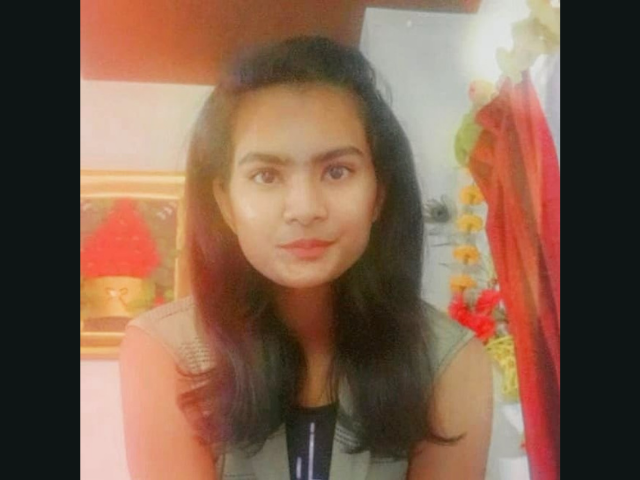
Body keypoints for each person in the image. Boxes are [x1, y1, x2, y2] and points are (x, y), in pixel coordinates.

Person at [119, 35, 493, 480]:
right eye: (266, 175)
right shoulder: (166, 351)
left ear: (378, 194)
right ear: (225, 202)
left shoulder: (448, 361)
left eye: (337, 171)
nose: (304, 209)